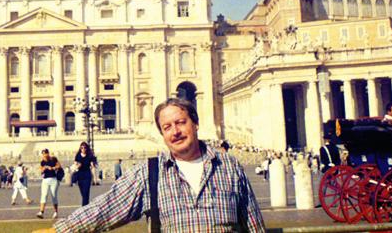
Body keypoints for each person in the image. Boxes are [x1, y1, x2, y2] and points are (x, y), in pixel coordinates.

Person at [49, 98, 265, 232]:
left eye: (181, 123)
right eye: (167, 127)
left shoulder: (229, 166)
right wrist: (59, 231)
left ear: (196, 124)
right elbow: (106, 208)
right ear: (162, 134)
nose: (175, 131)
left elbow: (253, 224)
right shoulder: (150, 172)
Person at [37, 149, 61, 219]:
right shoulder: (42, 162)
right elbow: (41, 170)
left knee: (54, 195)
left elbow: (59, 166)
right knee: (44, 195)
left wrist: (53, 168)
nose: (44, 155)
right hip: (45, 180)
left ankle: (56, 212)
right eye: (43, 154)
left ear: (48, 153)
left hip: (53, 179)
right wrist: (44, 168)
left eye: (45, 153)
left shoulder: (53, 159)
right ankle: (41, 212)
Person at [73, 142, 97, 206]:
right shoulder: (78, 155)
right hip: (80, 176)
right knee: (83, 194)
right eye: (82, 148)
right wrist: (78, 166)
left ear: (87, 148)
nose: (83, 149)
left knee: (86, 193)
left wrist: (94, 179)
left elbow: (92, 167)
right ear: (80, 148)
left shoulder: (89, 156)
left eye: (84, 148)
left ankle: (84, 207)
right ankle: (86, 206)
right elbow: (75, 165)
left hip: (87, 175)